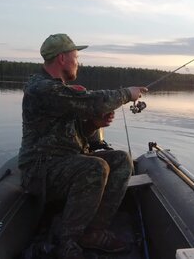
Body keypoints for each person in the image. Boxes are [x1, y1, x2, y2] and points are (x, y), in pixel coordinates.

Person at [18, 33, 147, 259]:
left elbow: (71, 135)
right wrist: (127, 93)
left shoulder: (60, 90)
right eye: (76, 57)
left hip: (63, 163)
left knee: (121, 160)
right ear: (62, 59)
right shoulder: (43, 89)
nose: (78, 62)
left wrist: (92, 125)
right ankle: (66, 240)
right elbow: (93, 101)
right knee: (95, 167)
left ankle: (93, 231)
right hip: (40, 171)